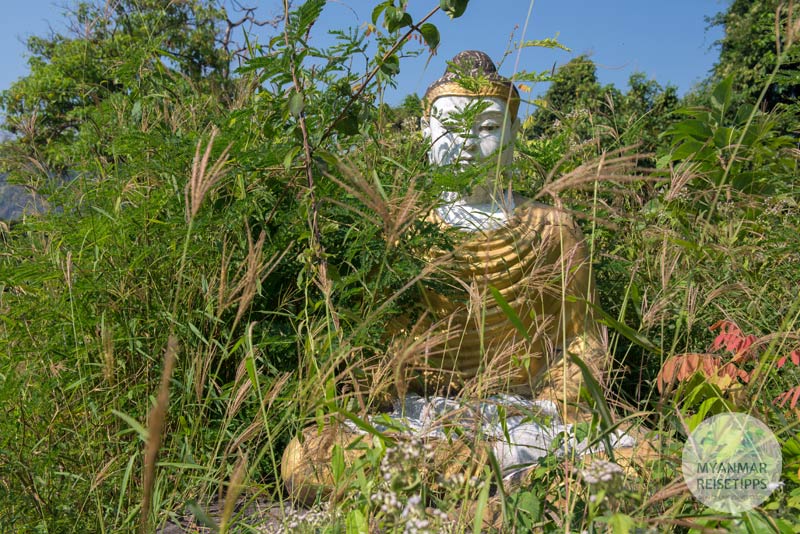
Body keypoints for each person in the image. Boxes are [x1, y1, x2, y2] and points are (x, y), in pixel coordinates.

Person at [281, 51, 613, 505]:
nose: (466, 144)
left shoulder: (552, 228)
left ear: (515, 133)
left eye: (489, 127)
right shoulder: (398, 232)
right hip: (425, 418)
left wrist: (557, 407)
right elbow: (382, 351)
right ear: (425, 131)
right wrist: (369, 397)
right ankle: (514, 485)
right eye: (450, 126)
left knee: (639, 459)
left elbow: (584, 342)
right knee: (307, 458)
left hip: (527, 415)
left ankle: (457, 483)